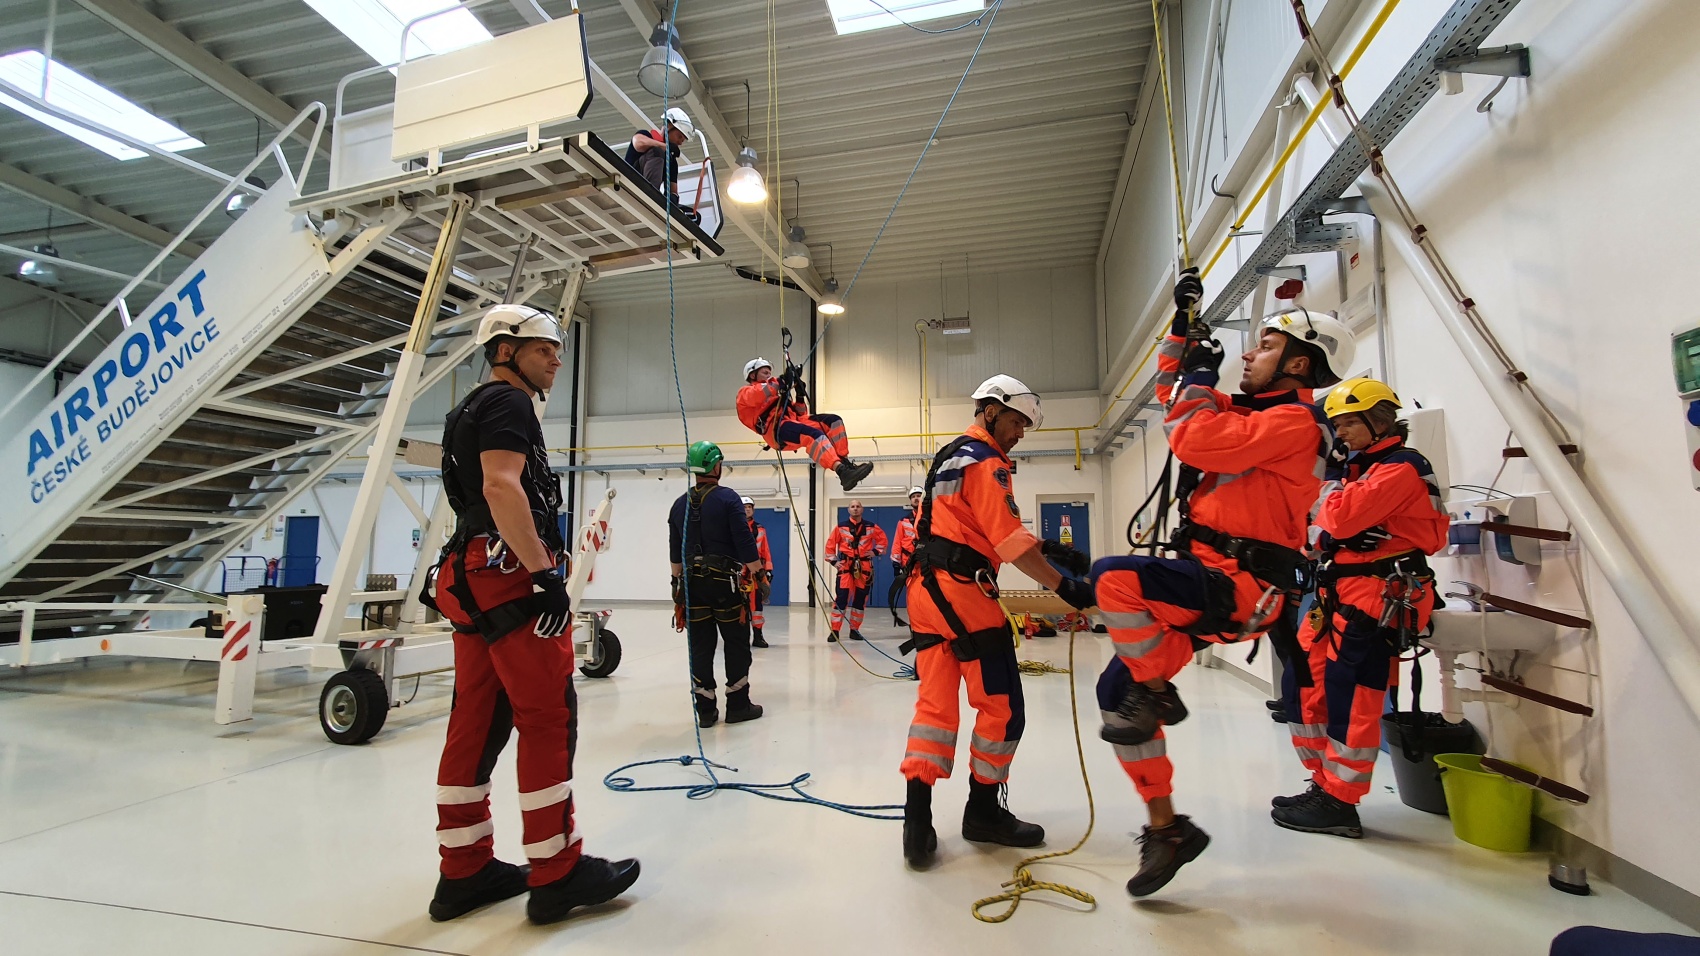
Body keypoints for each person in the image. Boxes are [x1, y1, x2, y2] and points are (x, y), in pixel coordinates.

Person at [1090, 270, 1354, 897]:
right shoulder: (1253, 412)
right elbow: (1170, 397)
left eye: (1263, 347)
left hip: (1239, 586)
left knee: (1112, 578)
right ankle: (1168, 829)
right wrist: (1181, 333)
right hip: (1207, 574)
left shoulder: (1295, 423)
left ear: (1299, 363)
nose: (1248, 354)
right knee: (1113, 692)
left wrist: (1202, 381)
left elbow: (1195, 437)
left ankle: (1155, 690)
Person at [427, 304, 639, 926]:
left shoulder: (464, 409)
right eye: (544, 348)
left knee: (476, 719)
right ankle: (557, 870)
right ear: (506, 350)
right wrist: (543, 573)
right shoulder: (509, 403)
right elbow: (500, 486)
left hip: (469, 577)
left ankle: (462, 869)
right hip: (507, 577)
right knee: (547, 715)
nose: (556, 358)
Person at [897, 375, 1096, 868]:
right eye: (1016, 421)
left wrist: (1049, 547)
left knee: (934, 709)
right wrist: (1063, 586)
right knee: (1003, 706)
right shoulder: (987, 463)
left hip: (927, 592)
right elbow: (1005, 540)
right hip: (965, 596)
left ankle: (916, 823)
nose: (1020, 433)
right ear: (990, 411)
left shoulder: (951, 455)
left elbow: (965, 523)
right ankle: (983, 811)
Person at [1273, 377, 1448, 838]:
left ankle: (1341, 799)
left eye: (1349, 422)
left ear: (1378, 420)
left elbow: (1339, 516)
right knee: (1300, 682)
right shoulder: (1355, 472)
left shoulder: (1402, 466)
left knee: (1353, 696)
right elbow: (1312, 531)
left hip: (1382, 592)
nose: (1342, 432)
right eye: (1338, 424)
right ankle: (1322, 783)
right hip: (1337, 591)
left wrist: (1334, 515)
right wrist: (1333, 524)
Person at [669, 441, 765, 728]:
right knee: (736, 644)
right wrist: (759, 574)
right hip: (726, 586)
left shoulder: (679, 504)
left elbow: (676, 552)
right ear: (716, 466)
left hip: (692, 586)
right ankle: (737, 705)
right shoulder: (728, 499)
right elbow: (744, 542)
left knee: (700, 647)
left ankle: (706, 711)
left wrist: (676, 585)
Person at [736, 357, 874, 491]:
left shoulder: (777, 393)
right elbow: (760, 392)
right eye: (765, 372)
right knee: (814, 435)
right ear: (752, 375)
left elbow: (801, 415)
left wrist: (800, 395)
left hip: (791, 422)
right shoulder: (745, 393)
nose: (769, 375)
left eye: (769, 373)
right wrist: (782, 380)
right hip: (775, 429)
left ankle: (845, 464)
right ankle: (840, 469)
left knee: (834, 421)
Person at [825, 499, 887, 642]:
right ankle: (835, 630)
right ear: (848, 510)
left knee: (860, 601)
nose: (855, 509)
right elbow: (830, 546)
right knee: (841, 599)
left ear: (862, 509)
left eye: (858, 506)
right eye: (852, 507)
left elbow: (883, 541)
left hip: (864, 569)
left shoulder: (871, 527)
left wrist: (875, 552)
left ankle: (855, 630)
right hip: (846, 568)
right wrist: (835, 562)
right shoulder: (840, 527)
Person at [625, 107, 697, 219]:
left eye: (682, 140)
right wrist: (665, 147)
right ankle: (651, 194)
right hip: (631, 184)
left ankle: (656, 200)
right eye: (679, 136)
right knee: (657, 151)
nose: (680, 142)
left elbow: (673, 190)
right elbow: (637, 143)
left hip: (650, 193)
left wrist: (672, 200)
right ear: (668, 125)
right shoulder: (646, 136)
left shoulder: (672, 162)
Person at [888, 486, 923, 627]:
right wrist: (896, 564)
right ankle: (916, 626)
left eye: (919, 495)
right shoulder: (903, 521)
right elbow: (897, 542)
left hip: (928, 561)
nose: (916, 498)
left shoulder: (931, 518)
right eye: (913, 496)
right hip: (910, 564)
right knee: (913, 596)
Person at [742, 496, 774, 648]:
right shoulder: (733, 527)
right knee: (739, 605)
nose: (747, 509)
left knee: (756, 606)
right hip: (739, 573)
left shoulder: (760, 529)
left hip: (756, 573)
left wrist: (768, 570)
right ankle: (741, 638)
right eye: (744, 507)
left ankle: (758, 636)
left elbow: (765, 550)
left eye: (749, 506)